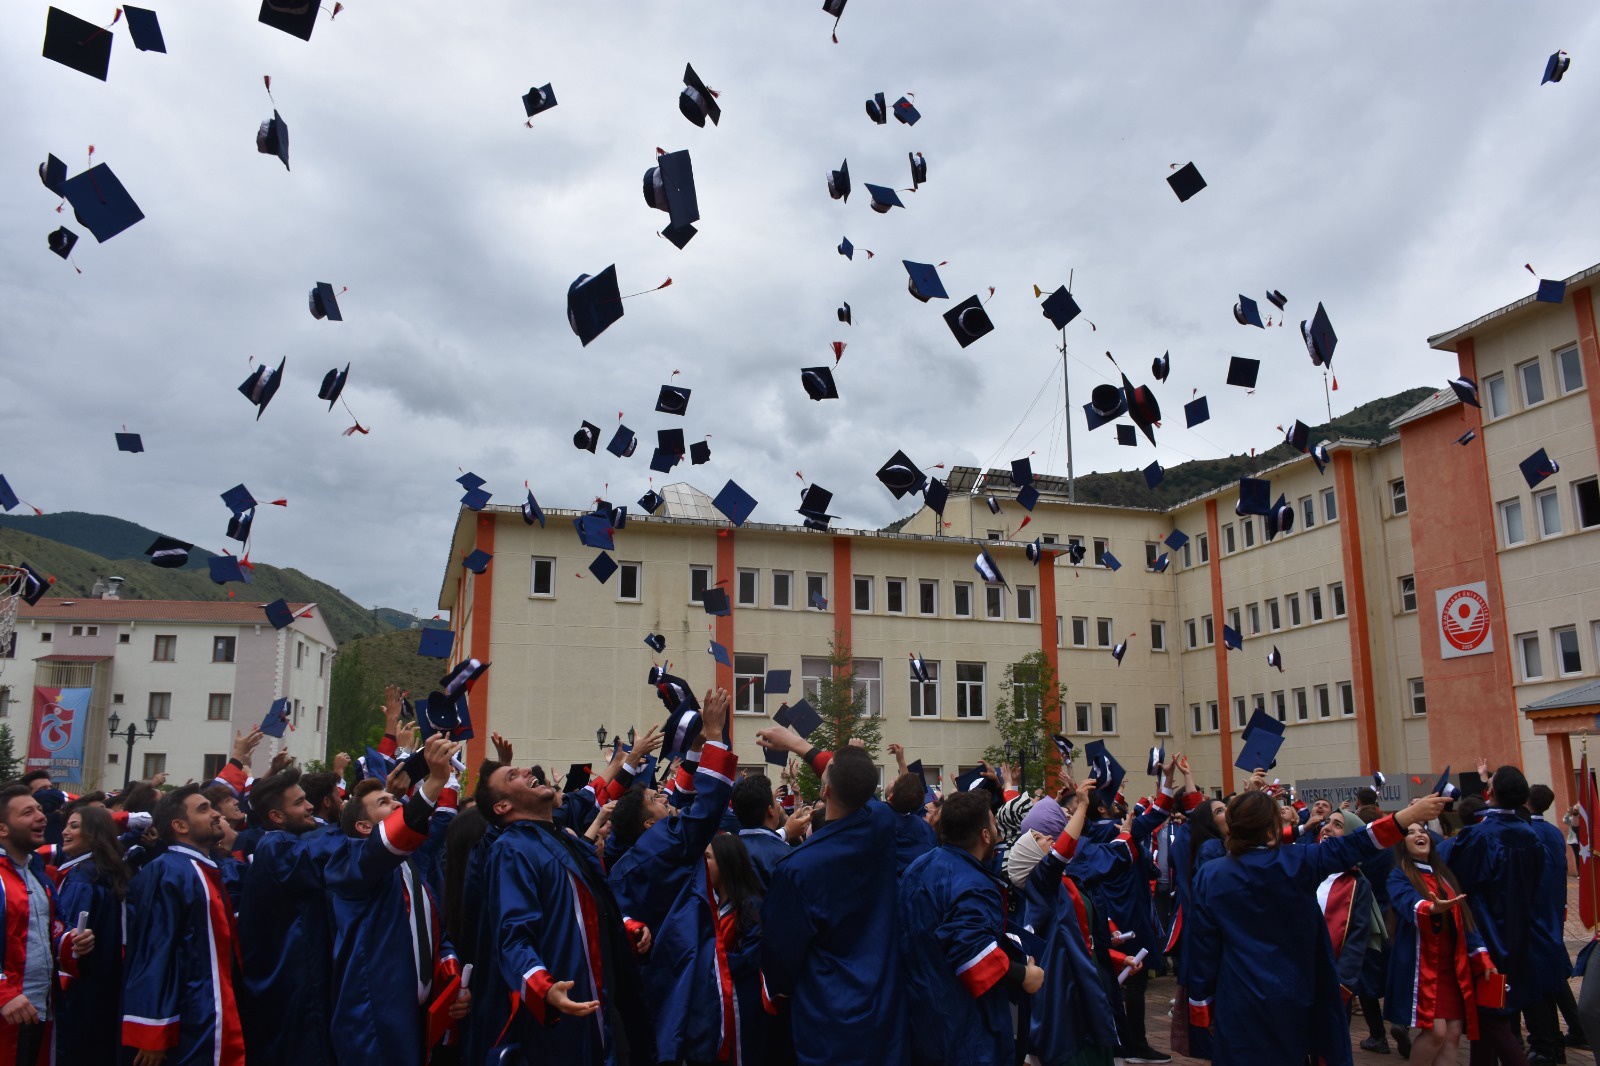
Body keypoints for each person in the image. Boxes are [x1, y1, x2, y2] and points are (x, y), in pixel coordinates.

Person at [1185, 787, 1451, 1066]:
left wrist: (1203, 1008)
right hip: (1294, 992)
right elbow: (1359, 843)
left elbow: (1203, 947)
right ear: (1272, 827)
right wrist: (1408, 816)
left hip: (1238, 995)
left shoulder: (1210, 875)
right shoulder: (1299, 861)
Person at [470, 722, 667, 1064]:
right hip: (566, 1018)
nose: (526, 769)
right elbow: (513, 937)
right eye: (512, 775)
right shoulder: (512, 850)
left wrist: (625, 926)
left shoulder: (562, 837)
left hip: (601, 1006)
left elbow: (589, 907)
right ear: (502, 807)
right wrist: (542, 985)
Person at [756, 727, 908, 1066]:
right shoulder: (883, 824)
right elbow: (856, 789)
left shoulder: (797, 869)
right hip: (885, 1006)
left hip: (827, 1018)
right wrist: (799, 744)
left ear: (824, 791)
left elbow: (779, 963)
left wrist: (794, 743)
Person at [325, 735, 469, 1066]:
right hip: (374, 1019)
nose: (397, 803)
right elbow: (385, 844)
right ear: (363, 826)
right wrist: (434, 780)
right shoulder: (351, 862)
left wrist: (453, 981)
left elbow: (437, 936)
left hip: (420, 1014)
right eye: (385, 802)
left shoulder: (409, 866)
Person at [899, 788, 1044, 1066]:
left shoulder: (919, 865)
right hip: (962, 1028)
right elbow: (973, 957)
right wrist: (1025, 974)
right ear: (985, 835)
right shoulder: (974, 884)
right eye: (992, 823)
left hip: (921, 1014)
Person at [1440, 765, 1566, 1066]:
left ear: (1490, 792)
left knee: (1492, 1019)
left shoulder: (1479, 836)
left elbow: (1461, 887)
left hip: (1486, 941)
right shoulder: (1532, 837)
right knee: (1490, 1020)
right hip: (1520, 937)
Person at [121, 783, 243, 1066]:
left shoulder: (203, 868)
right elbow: (153, 951)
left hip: (208, 1006)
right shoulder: (168, 871)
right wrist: (152, 1027)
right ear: (180, 825)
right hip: (188, 1015)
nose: (215, 814)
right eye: (204, 809)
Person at [1015, 776, 1127, 1066]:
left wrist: (1115, 957)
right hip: (1066, 980)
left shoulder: (1065, 883)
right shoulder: (1040, 884)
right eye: (1038, 839)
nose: (1048, 838)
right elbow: (1061, 853)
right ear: (1032, 859)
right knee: (1077, 1044)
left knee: (1097, 1038)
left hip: (1086, 969)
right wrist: (1080, 808)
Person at [236, 766, 343, 1063]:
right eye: (298, 803)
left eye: (306, 799)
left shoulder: (285, 843)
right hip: (290, 989)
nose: (310, 806)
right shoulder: (276, 847)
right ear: (276, 817)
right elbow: (328, 849)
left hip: (292, 984)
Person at [1386, 820, 1494, 1065]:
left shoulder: (1444, 876)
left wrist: (1484, 959)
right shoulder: (1399, 875)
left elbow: (1466, 922)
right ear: (1402, 843)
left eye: (1422, 831)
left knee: (1454, 1033)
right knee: (1436, 1032)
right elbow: (1406, 903)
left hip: (1452, 967)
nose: (1418, 835)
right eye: (1410, 832)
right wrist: (1431, 908)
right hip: (1421, 967)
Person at [0, 782, 93, 1065]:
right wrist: (3, 992)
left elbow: (49, 932)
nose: (41, 817)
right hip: (7, 1011)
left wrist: (72, 942)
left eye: (40, 810)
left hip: (38, 1008)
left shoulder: (37, 874)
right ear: (2, 829)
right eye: (27, 812)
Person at [54, 803, 127, 1064]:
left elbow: (68, 938)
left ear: (93, 834)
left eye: (74, 826)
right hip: (107, 982)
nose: (65, 831)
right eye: (66, 825)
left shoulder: (82, 877)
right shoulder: (106, 870)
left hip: (80, 987)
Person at [1316, 809, 1389, 1053]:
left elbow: (1356, 939)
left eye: (1337, 825)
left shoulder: (1357, 883)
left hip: (1334, 979)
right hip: (1299, 973)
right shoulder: (1305, 868)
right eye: (1328, 822)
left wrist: (1343, 983)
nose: (1327, 827)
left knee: (1330, 1045)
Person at [1526, 783, 1588, 1059]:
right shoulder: (1552, 831)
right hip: (1552, 911)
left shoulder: (1528, 832)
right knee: (1555, 973)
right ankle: (1570, 1030)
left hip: (1536, 915)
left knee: (1548, 977)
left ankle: (1554, 1039)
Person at [729, 772, 804, 889]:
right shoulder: (786, 856)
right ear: (770, 810)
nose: (779, 805)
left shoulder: (724, 851)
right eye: (775, 800)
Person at [885, 769, 937, 876]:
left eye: (895, 781)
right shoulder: (925, 831)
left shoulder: (877, 816)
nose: (893, 779)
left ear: (890, 797)